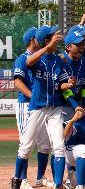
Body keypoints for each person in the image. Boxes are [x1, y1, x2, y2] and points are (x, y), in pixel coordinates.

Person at [10, 25, 78, 189]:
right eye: (53, 36)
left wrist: (67, 84)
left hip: (54, 107)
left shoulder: (57, 61)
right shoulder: (35, 58)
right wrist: (47, 47)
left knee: (59, 146)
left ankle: (57, 184)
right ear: (46, 40)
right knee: (25, 147)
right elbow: (29, 62)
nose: (57, 38)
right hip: (37, 107)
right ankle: (17, 180)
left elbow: (60, 84)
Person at [12, 27, 52, 188]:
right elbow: (18, 83)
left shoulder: (42, 59)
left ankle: (40, 178)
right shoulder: (22, 59)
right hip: (26, 105)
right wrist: (32, 96)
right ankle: (22, 181)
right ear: (32, 40)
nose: (41, 40)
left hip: (42, 106)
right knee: (26, 143)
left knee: (44, 143)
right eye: (38, 38)